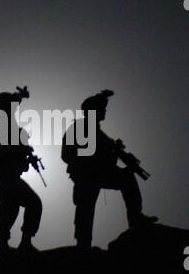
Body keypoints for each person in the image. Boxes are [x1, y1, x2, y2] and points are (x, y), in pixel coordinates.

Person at [61, 90, 158, 251]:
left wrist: (117, 154)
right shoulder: (79, 128)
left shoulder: (102, 135)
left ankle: (135, 218)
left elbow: (108, 160)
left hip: (98, 173)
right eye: (101, 108)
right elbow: (66, 154)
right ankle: (83, 244)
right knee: (85, 208)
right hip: (86, 175)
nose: (104, 112)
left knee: (126, 178)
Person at [0, 87, 42, 260]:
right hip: (5, 172)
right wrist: (20, 147)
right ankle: (14, 245)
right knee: (28, 204)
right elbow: (1, 147)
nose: (15, 109)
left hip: (10, 172)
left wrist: (24, 151)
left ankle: (14, 245)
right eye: (12, 106)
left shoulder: (7, 121)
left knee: (11, 206)